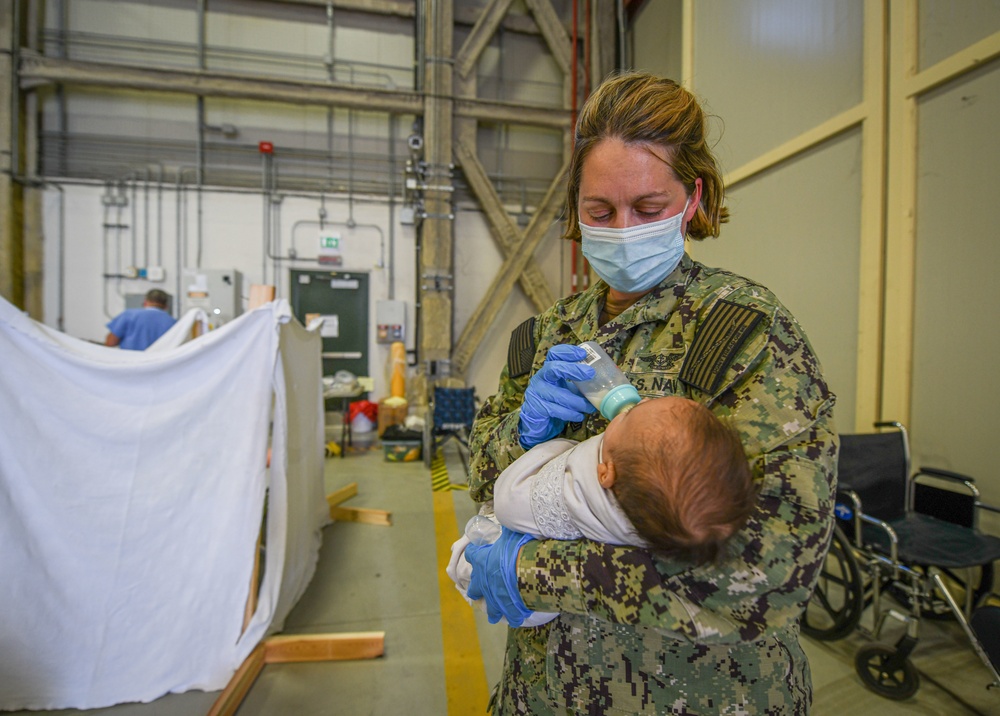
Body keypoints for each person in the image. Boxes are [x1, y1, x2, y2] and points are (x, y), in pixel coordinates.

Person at [462, 71, 838, 714]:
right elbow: (483, 478)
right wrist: (520, 438)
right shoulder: (544, 335)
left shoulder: (746, 335)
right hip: (546, 695)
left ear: (692, 200)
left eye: (649, 209)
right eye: (599, 212)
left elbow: (773, 577)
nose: (622, 229)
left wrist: (529, 572)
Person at [448, 395, 757, 625]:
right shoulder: (656, 517)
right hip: (540, 646)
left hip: (513, 571)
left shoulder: (577, 490)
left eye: (631, 414)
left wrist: (552, 446)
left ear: (606, 474)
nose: (634, 402)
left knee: (469, 559)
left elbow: (508, 500)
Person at [105, 289, 176, 350]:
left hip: (131, 362)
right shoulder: (173, 322)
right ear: (166, 306)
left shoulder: (128, 315)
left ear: (145, 302)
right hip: (159, 363)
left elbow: (111, 342)